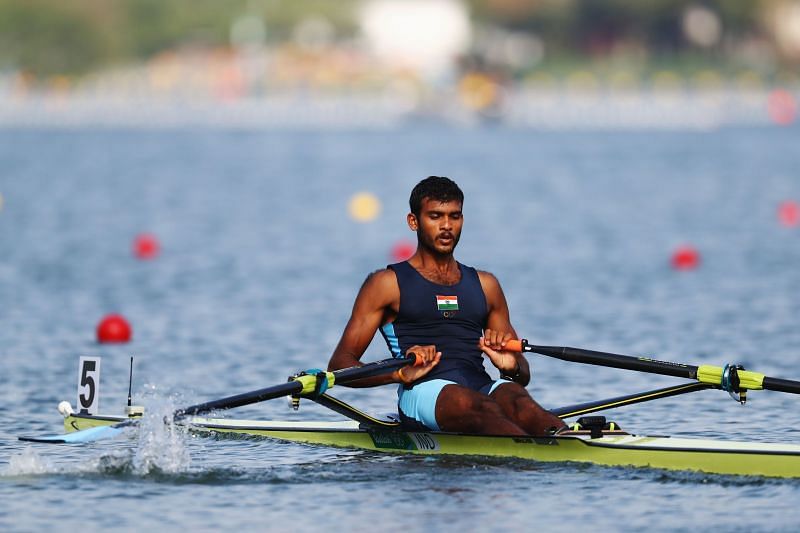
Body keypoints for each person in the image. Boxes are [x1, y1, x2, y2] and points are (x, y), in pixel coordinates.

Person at [328, 176, 566, 436]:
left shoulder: (486, 285)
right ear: (413, 221)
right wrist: (398, 372)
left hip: (480, 386)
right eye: (435, 216)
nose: (446, 226)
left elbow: (523, 376)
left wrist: (511, 366)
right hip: (423, 392)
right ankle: (529, 459)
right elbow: (340, 365)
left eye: (454, 216)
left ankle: (567, 441)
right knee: (477, 406)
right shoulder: (386, 284)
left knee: (520, 400)